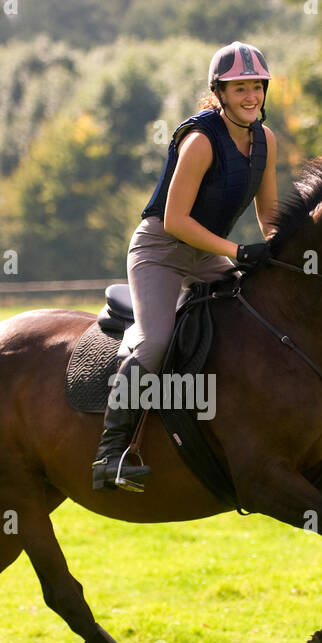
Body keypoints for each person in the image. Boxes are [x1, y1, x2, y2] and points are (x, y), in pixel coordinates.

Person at [91, 40, 279, 493]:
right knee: (155, 341)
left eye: (257, 87)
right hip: (161, 249)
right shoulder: (199, 141)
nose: (250, 96)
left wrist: (279, 254)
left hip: (208, 252)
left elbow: (270, 216)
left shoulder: (265, 140)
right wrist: (237, 252)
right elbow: (175, 221)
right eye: (239, 89)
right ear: (219, 92)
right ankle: (110, 457)